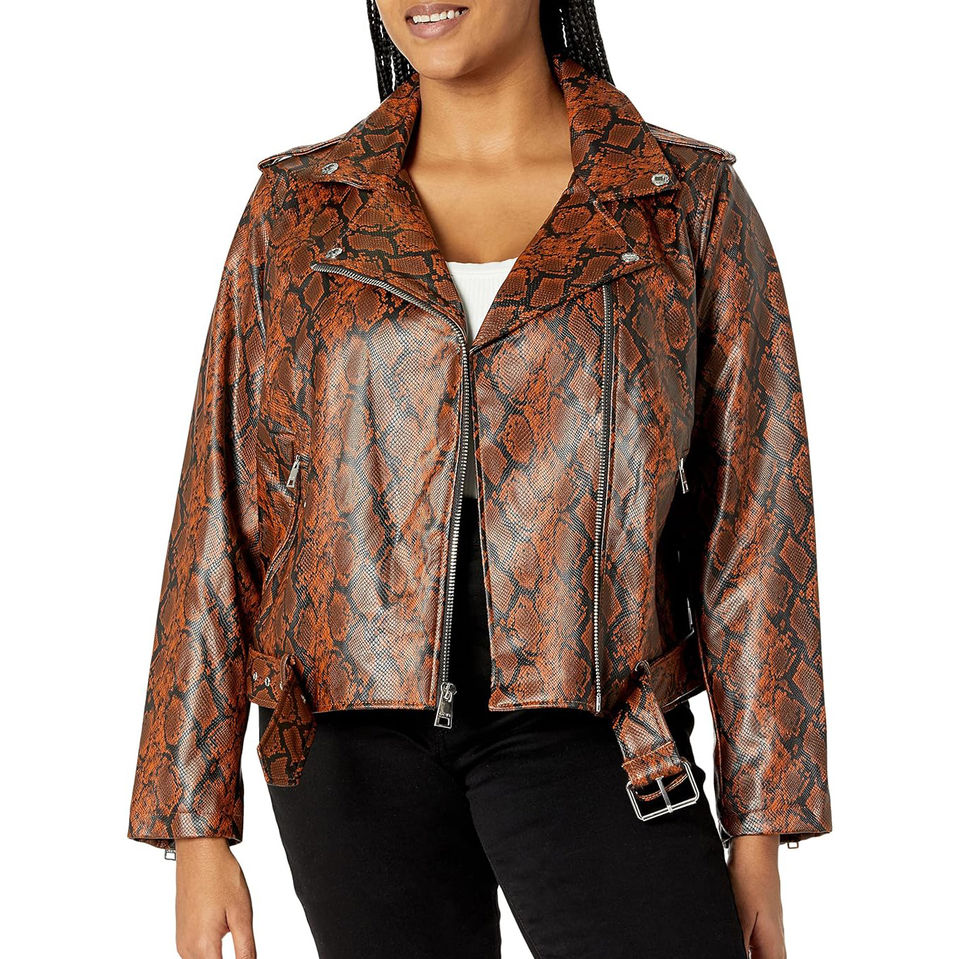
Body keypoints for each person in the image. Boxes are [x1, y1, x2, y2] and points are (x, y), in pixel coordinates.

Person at [128, 2, 832, 957]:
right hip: (345, 736)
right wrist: (195, 822)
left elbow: (755, 519)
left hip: (602, 725)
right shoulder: (301, 209)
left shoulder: (677, 200)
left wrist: (759, 826)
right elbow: (220, 498)